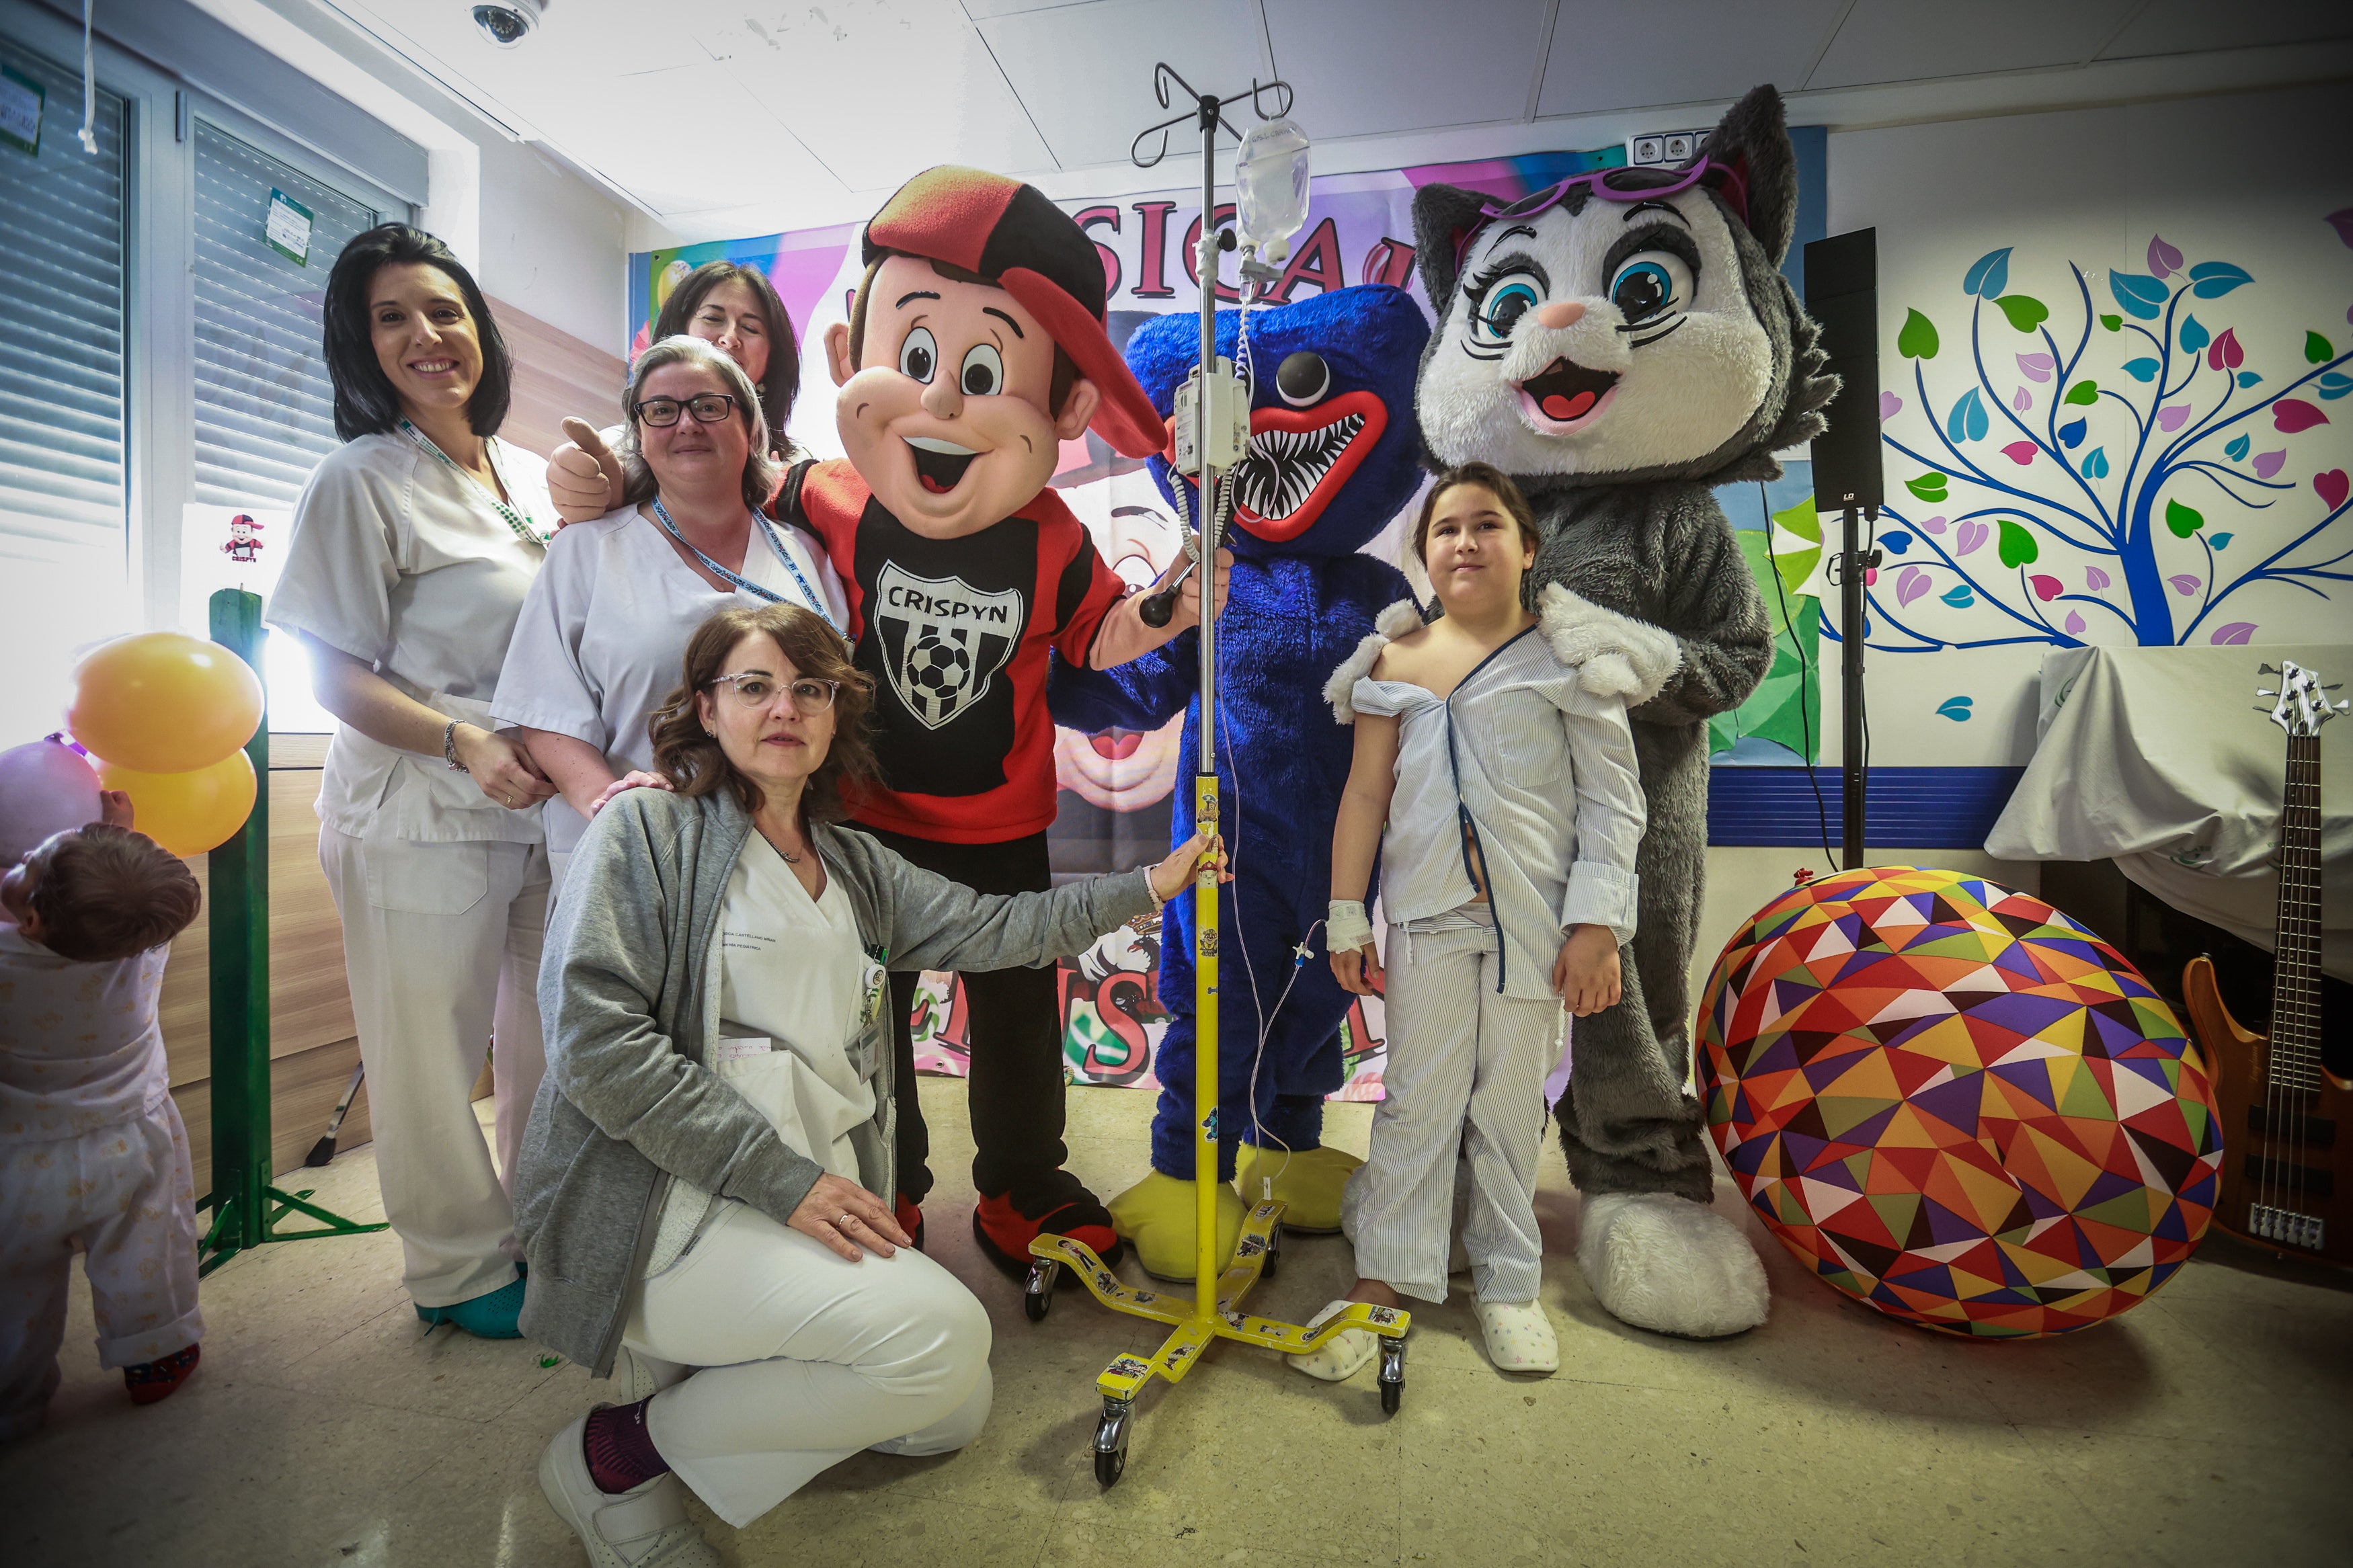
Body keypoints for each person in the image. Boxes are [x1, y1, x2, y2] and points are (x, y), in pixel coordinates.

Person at [546, 167, 1228, 1272]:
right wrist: (606, 479)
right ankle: (887, 1184)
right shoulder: (827, 493)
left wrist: (1173, 607)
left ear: (1063, 410)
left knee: (1016, 1015)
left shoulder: (1053, 530)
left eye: (983, 370)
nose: (943, 403)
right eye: (915, 360)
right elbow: (705, 478)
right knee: (870, 1025)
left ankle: (1020, 1181)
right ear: (847, 362)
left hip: (1003, 824)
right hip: (864, 822)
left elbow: (1099, 633)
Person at [518, 602, 1221, 1561]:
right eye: (753, 685)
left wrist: (1148, 885)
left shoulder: (849, 861)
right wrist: (786, 1182)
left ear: (836, 714)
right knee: (935, 1345)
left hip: (810, 1199)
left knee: (950, 1408)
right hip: (678, 1206)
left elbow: (992, 929)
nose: (784, 707)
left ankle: (721, 1391)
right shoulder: (647, 829)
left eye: (810, 688)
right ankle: (616, 1463)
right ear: (706, 709)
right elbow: (598, 1044)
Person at [1308, 464, 1667, 1378]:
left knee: (1507, 1109)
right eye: (1445, 529)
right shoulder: (1390, 663)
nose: (1464, 542)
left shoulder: (1568, 663)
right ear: (1423, 552)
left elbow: (1613, 803)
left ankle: (1508, 1284)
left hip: (1535, 928)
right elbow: (1364, 795)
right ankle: (1384, 1279)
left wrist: (1597, 926)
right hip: (1428, 922)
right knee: (1416, 1103)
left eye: (1487, 525)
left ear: (1528, 546)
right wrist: (1348, 917)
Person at [266, 224, 557, 1339]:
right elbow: (328, 671)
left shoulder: (521, 474)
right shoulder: (359, 479)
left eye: (443, 310)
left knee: (548, 1033)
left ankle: (544, 1219)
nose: (427, 335)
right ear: (361, 344)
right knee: (429, 1054)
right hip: (421, 808)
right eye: (393, 317)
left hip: (537, 800)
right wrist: (461, 743)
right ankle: (454, 1265)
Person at [491, 335, 843, 889]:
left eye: (709, 405)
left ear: (750, 428)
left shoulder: (806, 552)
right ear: (640, 436)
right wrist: (612, 808)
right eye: (661, 411)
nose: (686, 424)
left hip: (777, 857)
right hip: (632, 857)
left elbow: (835, 691)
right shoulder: (586, 549)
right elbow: (546, 712)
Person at [1, 795, 206, 1436]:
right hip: (133, 1141)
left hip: (19, 1159)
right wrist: (116, 836)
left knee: (13, 1285)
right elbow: (124, 895)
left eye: (28, 861)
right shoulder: (142, 943)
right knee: (148, 1250)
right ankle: (158, 1354)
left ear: (32, 920)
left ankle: (14, 1399)